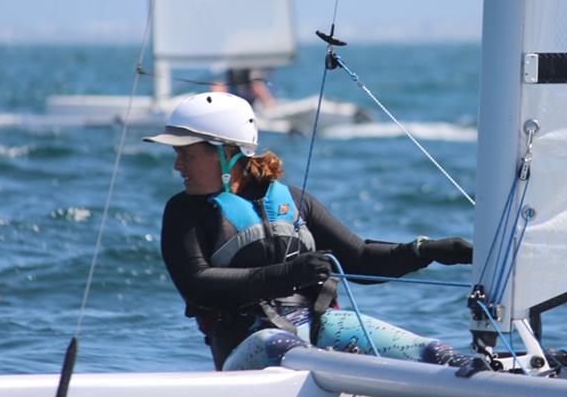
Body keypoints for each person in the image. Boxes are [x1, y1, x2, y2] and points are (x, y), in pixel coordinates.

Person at [144, 92, 475, 371]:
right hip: (251, 343)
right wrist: (287, 274)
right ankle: (341, 371)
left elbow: (358, 259)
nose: (177, 166)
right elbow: (198, 285)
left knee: (432, 354)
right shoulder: (183, 213)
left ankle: (478, 376)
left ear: (227, 152)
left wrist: (423, 251)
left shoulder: (295, 201)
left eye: (187, 154)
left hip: (319, 327)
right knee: (282, 345)